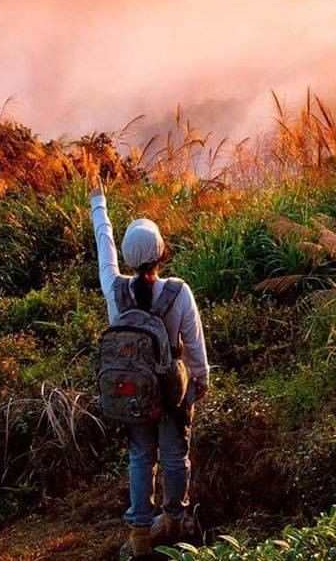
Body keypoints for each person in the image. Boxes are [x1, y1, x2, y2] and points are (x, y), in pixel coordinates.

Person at [89, 183, 210, 558]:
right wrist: (200, 380)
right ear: (161, 253)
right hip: (172, 393)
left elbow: (103, 245)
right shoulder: (178, 291)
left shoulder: (114, 288)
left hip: (131, 391)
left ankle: (140, 535)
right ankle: (175, 522)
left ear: (127, 258)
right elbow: (194, 344)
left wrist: (99, 203)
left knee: (141, 457)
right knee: (175, 456)